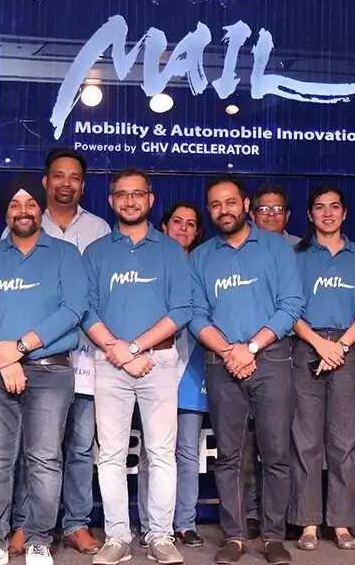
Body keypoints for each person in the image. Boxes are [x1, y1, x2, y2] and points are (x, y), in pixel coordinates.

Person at [0, 175, 87, 565]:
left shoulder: (65, 254)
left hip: (50, 372)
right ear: (6, 212)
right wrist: (5, 359)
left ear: (41, 209)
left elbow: (73, 309)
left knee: (45, 459)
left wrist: (18, 348)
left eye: (30, 203)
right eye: (14, 204)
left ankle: (38, 540)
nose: (23, 211)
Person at [188, 174, 304, 565]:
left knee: (276, 453)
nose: (224, 210)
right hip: (222, 362)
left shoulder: (276, 248)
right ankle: (234, 536)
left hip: (271, 359)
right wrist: (229, 351)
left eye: (230, 202)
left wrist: (250, 348)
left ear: (245, 204)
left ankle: (272, 537)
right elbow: (196, 314)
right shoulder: (201, 257)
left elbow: (291, 305)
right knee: (229, 456)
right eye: (215, 204)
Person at [81, 168, 193, 565]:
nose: (130, 201)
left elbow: (182, 309)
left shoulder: (170, 251)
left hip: (157, 362)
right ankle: (117, 537)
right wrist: (118, 352)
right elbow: (86, 309)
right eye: (122, 194)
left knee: (161, 453)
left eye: (138, 194)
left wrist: (133, 348)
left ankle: (160, 536)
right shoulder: (96, 252)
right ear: (111, 201)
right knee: (110, 455)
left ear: (150, 199)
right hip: (109, 362)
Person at [4, 148, 108, 557]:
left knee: (80, 446)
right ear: (46, 181)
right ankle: (25, 524)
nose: (66, 183)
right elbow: (7, 292)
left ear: (83, 184)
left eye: (74, 177)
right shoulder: (24, 219)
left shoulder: (99, 229)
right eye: (58, 175)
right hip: (36, 358)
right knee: (33, 448)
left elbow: (98, 296)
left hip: (87, 356)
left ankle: (76, 523)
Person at [287, 184, 355, 552]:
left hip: (347, 350)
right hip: (305, 346)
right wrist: (319, 343)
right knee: (305, 440)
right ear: (310, 215)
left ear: (344, 213)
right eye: (320, 207)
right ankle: (308, 523)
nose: (327, 213)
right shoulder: (296, 256)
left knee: (345, 440)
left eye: (334, 206)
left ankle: (340, 523)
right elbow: (287, 306)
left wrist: (340, 346)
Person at [137, 202, 209, 550]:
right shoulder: (149, 261)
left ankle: (185, 523)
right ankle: (148, 524)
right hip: (153, 363)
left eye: (190, 224)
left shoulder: (201, 266)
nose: (183, 228)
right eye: (177, 222)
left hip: (192, 366)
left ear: (197, 232)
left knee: (188, 450)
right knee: (152, 451)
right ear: (163, 226)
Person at [242, 182, 299, 537]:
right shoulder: (238, 248)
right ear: (252, 213)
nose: (271, 215)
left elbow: (294, 304)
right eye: (264, 209)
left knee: (283, 442)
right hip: (243, 354)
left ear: (288, 215)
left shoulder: (300, 249)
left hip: (288, 352)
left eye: (277, 209)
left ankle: (284, 515)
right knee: (246, 442)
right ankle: (250, 514)